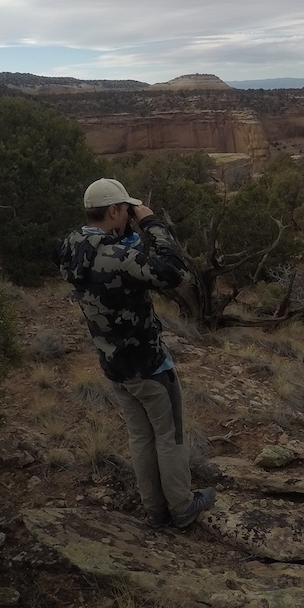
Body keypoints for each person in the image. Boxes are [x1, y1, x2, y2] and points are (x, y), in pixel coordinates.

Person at [58, 178, 215, 528]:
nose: (129, 216)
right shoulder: (117, 256)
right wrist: (152, 223)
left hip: (114, 363)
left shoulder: (73, 246)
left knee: (140, 436)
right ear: (114, 210)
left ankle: (155, 509)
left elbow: (113, 259)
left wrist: (127, 233)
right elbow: (174, 272)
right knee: (170, 434)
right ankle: (182, 507)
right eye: (125, 210)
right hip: (148, 363)